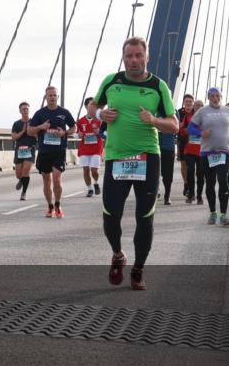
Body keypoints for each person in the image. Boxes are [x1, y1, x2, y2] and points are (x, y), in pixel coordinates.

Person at [94, 36, 178, 291]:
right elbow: (92, 105)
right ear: (124, 58)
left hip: (147, 157)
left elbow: (174, 125)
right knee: (111, 215)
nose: (133, 61)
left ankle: (139, 268)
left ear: (147, 57)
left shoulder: (158, 86)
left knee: (145, 217)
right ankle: (118, 254)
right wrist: (99, 113)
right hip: (117, 157)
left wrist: (153, 120)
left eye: (138, 56)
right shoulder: (111, 81)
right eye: (129, 56)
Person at [188, 87, 229, 226]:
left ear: (221, 97)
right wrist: (200, 133)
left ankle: (223, 215)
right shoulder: (202, 111)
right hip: (207, 152)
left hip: (224, 151)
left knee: (223, 180)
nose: (216, 99)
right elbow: (190, 128)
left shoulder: (228, 111)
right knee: (210, 183)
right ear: (209, 97)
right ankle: (212, 213)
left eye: (218, 96)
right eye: (213, 96)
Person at [27, 86, 77, 218]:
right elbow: (29, 131)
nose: (52, 97)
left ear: (58, 97)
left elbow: (74, 128)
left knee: (57, 178)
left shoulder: (64, 112)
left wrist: (64, 132)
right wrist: (41, 127)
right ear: (46, 97)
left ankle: (58, 204)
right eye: (50, 95)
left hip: (59, 150)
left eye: (54, 95)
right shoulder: (40, 113)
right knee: (46, 180)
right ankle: (50, 206)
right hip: (44, 151)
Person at [76, 97, 105, 198]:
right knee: (85, 170)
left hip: (96, 148)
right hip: (84, 148)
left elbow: (105, 134)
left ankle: (96, 182)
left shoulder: (100, 120)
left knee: (94, 170)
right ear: (86, 107)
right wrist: (79, 135)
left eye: (93, 106)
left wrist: (99, 133)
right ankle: (89, 189)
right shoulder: (80, 121)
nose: (91, 107)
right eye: (89, 106)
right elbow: (77, 134)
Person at [11, 102, 37, 201]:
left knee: (26, 170)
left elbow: (38, 136)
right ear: (20, 111)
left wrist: (31, 130)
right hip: (20, 150)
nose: (25, 110)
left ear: (29, 110)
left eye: (27, 109)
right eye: (23, 109)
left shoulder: (34, 122)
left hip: (30, 149)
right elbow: (14, 137)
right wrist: (23, 131)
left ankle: (24, 193)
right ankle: (21, 180)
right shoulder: (16, 124)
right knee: (18, 174)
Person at [183, 100, 206, 204]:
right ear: (194, 107)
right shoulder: (188, 117)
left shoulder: (207, 118)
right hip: (190, 150)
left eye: (201, 105)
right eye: (197, 105)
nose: (199, 107)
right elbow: (182, 131)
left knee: (200, 174)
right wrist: (186, 131)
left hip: (202, 151)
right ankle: (191, 194)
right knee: (190, 171)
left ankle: (200, 196)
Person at [176, 94, 194, 195]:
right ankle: (186, 184)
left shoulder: (196, 112)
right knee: (183, 164)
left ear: (193, 102)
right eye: (186, 101)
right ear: (183, 102)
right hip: (182, 141)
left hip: (194, 142)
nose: (188, 103)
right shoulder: (179, 112)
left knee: (192, 166)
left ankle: (191, 184)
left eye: (190, 101)